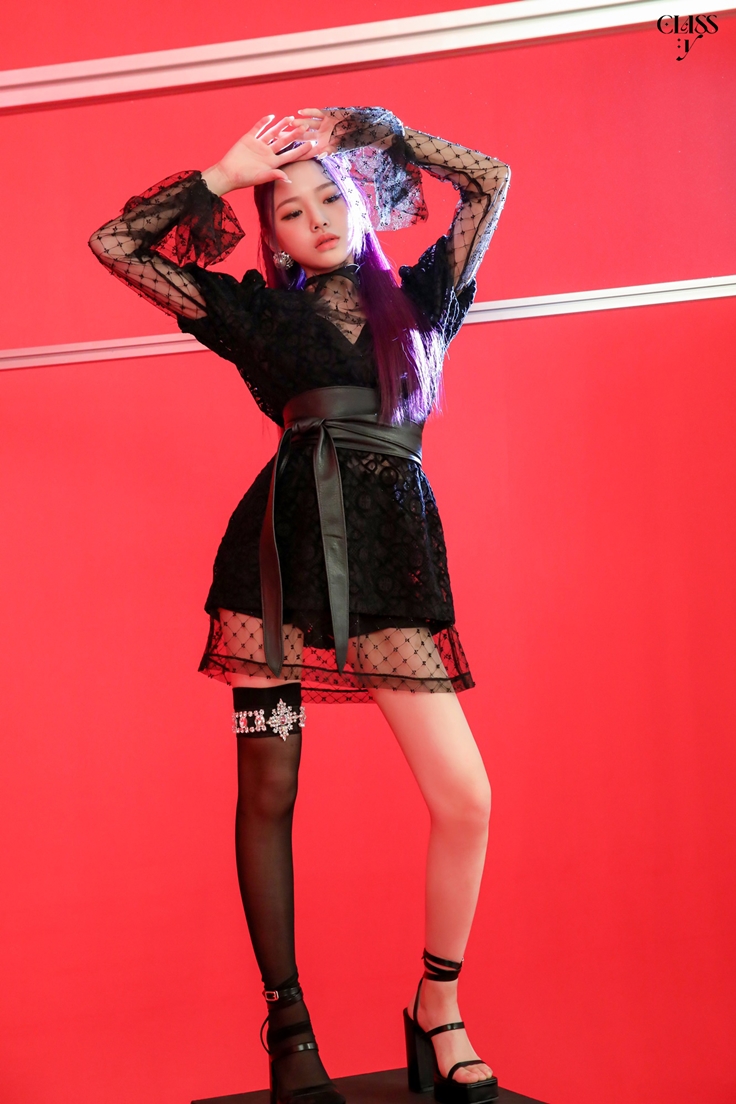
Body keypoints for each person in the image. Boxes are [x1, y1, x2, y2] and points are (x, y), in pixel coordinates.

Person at [88, 105, 510, 1104]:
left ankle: (438, 1004)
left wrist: (374, 132)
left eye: (332, 197)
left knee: (466, 797)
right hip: (273, 574)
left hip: (392, 564)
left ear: (363, 201)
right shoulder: (256, 316)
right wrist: (223, 174)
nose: (317, 219)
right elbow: (115, 245)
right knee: (269, 792)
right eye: (289, 211)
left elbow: (489, 178)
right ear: (270, 237)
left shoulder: (427, 297)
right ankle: (288, 1027)